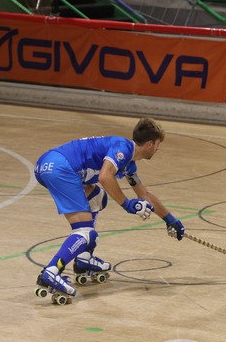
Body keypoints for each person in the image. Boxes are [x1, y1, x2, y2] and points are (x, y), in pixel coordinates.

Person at [33, 118, 184, 299]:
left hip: (49, 164)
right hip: (60, 167)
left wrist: (169, 219)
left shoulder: (129, 163)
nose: (158, 149)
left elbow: (144, 194)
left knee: (97, 197)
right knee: (85, 232)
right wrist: (127, 205)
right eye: (158, 144)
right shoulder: (123, 148)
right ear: (150, 143)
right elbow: (105, 177)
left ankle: (83, 260)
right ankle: (52, 271)